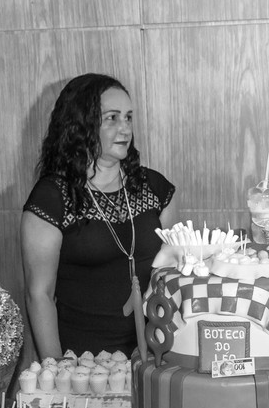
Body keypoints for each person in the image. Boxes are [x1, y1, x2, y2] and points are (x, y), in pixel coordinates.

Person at [22, 74, 178, 359]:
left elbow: (176, 275)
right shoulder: (53, 198)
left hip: (156, 355)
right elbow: (39, 295)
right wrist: (57, 371)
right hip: (84, 362)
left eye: (128, 118)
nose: (125, 129)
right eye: (112, 118)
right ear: (82, 125)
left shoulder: (155, 189)